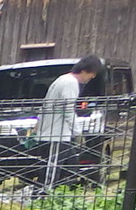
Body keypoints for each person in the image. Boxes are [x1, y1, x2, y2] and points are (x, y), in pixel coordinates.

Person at [38, 54, 103, 190]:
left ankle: (66, 195)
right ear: (84, 70)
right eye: (92, 73)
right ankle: (43, 196)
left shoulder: (63, 79)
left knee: (71, 168)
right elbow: (68, 108)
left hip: (61, 134)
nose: (93, 77)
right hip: (56, 134)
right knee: (52, 170)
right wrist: (77, 131)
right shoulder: (70, 83)